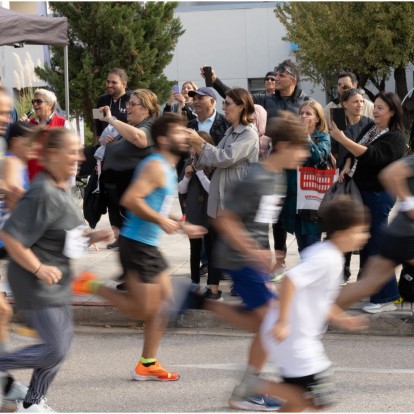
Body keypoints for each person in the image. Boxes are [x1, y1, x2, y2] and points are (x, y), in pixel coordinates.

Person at [176, 111, 309, 411]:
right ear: (286, 146)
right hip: (239, 259)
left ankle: (199, 304)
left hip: (252, 260)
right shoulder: (258, 177)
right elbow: (226, 220)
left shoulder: (274, 178)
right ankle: (248, 389)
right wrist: (254, 252)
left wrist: (269, 253)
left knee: (263, 321)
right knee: (271, 321)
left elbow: (259, 222)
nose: (305, 155)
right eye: (301, 148)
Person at [73, 113, 207, 382]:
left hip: (147, 245)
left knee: (163, 306)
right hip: (136, 244)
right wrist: (159, 219)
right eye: (178, 132)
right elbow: (131, 199)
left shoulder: (167, 168)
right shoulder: (155, 166)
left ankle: (147, 363)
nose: (184, 135)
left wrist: (182, 225)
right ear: (162, 139)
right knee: (144, 310)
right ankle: (90, 285)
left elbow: (156, 207)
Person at [0, 127, 113, 412]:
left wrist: (92, 237)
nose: (79, 156)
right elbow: (12, 237)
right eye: (72, 151)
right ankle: (30, 400)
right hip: (35, 281)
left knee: (60, 346)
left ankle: (33, 402)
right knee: (55, 349)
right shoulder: (42, 192)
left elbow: (62, 237)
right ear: (52, 155)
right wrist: (38, 268)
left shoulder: (61, 188)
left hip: (57, 278)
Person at [230, 195, 370, 412]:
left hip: (300, 338)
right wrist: (284, 322)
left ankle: (254, 385)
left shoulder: (329, 255)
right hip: (293, 338)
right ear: (342, 234)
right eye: (360, 231)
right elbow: (290, 280)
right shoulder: (327, 258)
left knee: (298, 402)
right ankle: (254, 385)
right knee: (316, 399)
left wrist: (343, 319)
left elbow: (321, 299)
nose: (365, 236)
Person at [330, 91, 407, 313]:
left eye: (381, 108)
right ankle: (377, 293)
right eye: (375, 107)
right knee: (368, 244)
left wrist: (342, 139)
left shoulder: (396, 137)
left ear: (392, 112)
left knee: (377, 245)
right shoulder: (371, 128)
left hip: (378, 195)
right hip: (362, 193)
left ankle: (387, 296)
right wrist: (345, 164)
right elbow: (354, 150)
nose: (375, 110)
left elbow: (372, 155)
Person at [188, 87, 259, 301]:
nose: (224, 107)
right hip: (220, 196)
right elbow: (213, 157)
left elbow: (225, 157)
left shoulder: (249, 133)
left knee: (237, 245)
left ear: (241, 106)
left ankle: (247, 285)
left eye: (228, 103)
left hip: (236, 198)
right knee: (216, 245)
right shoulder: (230, 131)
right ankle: (213, 289)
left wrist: (200, 144)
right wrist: (198, 154)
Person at [336, 154, 414, 312]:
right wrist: (409, 205)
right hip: (407, 235)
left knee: (367, 284)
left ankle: (318, 313)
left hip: (398, 234)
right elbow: (390, 173)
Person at [99, 89, 159, 251]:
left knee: (136, 247)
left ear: (145, 109)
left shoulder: (150, 126)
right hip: (120, 196)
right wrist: (112, 142)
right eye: (127, 104)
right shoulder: (133, 126)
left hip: (135, 198)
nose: (128, 108)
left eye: (133, 104)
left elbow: (139, 139)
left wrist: (111, 119)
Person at [279, 100, 331, 254]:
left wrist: (306, 137)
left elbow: (319, 158)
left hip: (312, 198)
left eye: (308, 114)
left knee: (312, 246)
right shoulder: (291, 138)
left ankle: (316, 276)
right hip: (294, 198)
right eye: (301, 113)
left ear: (317, 118)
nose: (303, 116)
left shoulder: (323, 137)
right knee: (302, 248)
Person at [333, 88, 372, 282]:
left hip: (362, 180)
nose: (360, 105)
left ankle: (363, 270)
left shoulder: (369, 125)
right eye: (355, 101)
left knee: (363, 226)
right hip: (343, 181)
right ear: (345, 104)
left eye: (362, 101)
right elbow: (333, 151)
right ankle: (344, 268)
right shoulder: (338, 123)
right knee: (345, 225)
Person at [203, 59, 308, 119]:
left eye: (281, 76)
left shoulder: (307, 103)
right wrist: (215, 80)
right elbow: (237, 97)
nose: (276, 78)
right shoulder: (264, 99)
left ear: (293, 80)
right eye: (276, 75)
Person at [178, 131, 213, 288]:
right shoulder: (188, 163)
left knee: (211, 248)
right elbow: (181, 190)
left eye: (194, 146)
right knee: (195, 249)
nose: (191, 150)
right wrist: (186, 176)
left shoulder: (213, 164)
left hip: (209, 211)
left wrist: (199, 173)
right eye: (190, 146)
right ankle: (194, 280)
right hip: (193, 211)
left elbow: (212, 189)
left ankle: (212, 282)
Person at [21, 88, 70, 183]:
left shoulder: (63, 123)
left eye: (38, 101)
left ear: (50, 105)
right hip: (32, 180)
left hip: (54, 180)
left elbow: (69, 151)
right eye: (33, 101)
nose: (35, 104)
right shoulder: (29, 124)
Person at [95, 68, 130, 145]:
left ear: (124, 84)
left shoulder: (132, 100)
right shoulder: (101, 100)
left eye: (114, 82)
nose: (109, 85)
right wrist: (97, 147)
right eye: (108, 82)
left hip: (125, 146)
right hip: (104, 148)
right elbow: (97, 128)